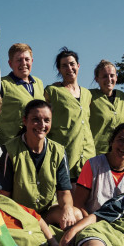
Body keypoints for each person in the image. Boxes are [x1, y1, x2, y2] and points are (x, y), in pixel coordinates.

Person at [0, 100, 83, 229]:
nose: (42, 125)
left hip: (47, 213)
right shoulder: (9, 151)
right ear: (25, 121)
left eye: (47, 120)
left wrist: (68, 209)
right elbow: (4, 198)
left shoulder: (58, 151)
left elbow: (64, 191)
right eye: (36, 119)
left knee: (76, 214)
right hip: (20, 214)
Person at [44, 47, 95, 182]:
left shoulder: (88, 94)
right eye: (64, 66)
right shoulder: (51, 91)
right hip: (65, 154)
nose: (69, 68)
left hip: (88, 156)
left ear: (78, 66)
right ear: (59, 70)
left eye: (72, 64)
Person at [73, 123, 124, 215]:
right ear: (111, 141)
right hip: (91, 223)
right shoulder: (93, 165)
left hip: (122, 225)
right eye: (121, 140)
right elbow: (78, 203)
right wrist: (89, 222)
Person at [0, 43, 45, 144]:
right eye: (19, 60)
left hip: (36, 145)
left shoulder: (39, 83)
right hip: (11, 146)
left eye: (27, 59)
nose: (23, 63)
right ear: (10, 63)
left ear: (32, 61)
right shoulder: (2, 84)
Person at [89, 60, 124, 155]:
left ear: (116, 77)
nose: (109, 79)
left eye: (112, 75)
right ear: (97, 79)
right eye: (105, 76)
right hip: (97, 154)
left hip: (120, 154)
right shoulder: (89, 95)